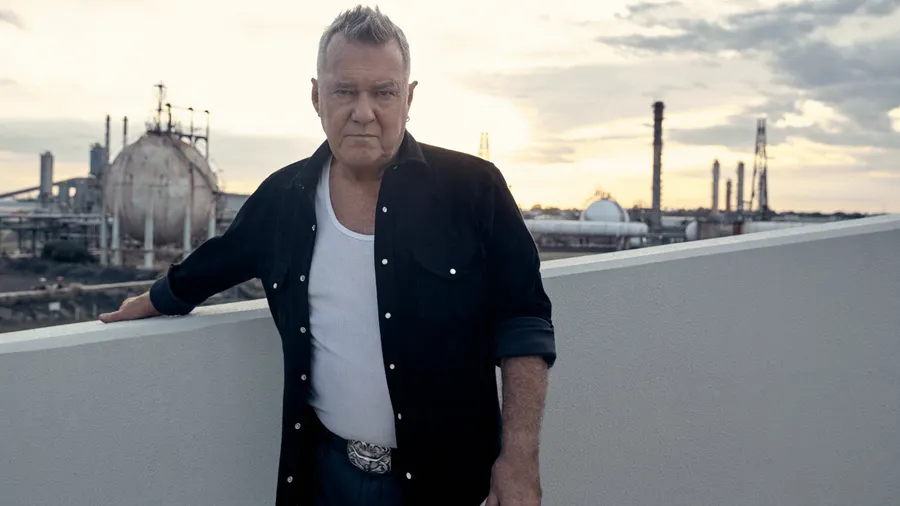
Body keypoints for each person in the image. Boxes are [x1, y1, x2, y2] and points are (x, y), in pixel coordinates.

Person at [100, 5, 556, 506]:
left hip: (448, 483)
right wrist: (157, 298)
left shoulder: (474, 189)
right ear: (317, 97)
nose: (363, 112)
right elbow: (217, 261)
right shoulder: (283, 198)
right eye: (344, 91)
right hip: (325, 477)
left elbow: (523, 321)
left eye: (383, 92)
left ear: (409, 97)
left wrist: (519, 460)